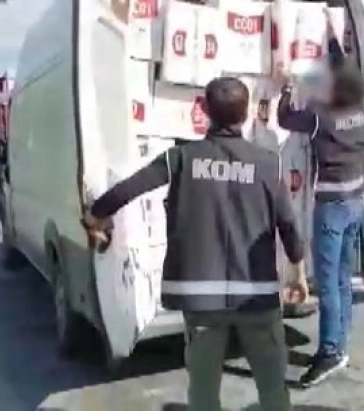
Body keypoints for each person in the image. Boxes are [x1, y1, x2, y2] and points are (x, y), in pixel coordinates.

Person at [81, 77, 308, 411]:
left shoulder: (181, 158)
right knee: (273, 388)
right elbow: (287, 224)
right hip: (257, 296)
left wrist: (95, 215)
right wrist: (297, 273)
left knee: (203, 392)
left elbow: (128, 188)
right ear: (245, 113)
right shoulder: (267, 163)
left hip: (201, 299)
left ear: (205, 111)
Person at [276, 9, 364, 388]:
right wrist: (333, 34)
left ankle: (329, 351)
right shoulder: (359, 111)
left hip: (332, 206)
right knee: (343, 278)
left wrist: (286, 86)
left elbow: (284, 118)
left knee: (328, 283)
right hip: (357, 201)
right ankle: (340, 345)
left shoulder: (319, 116)